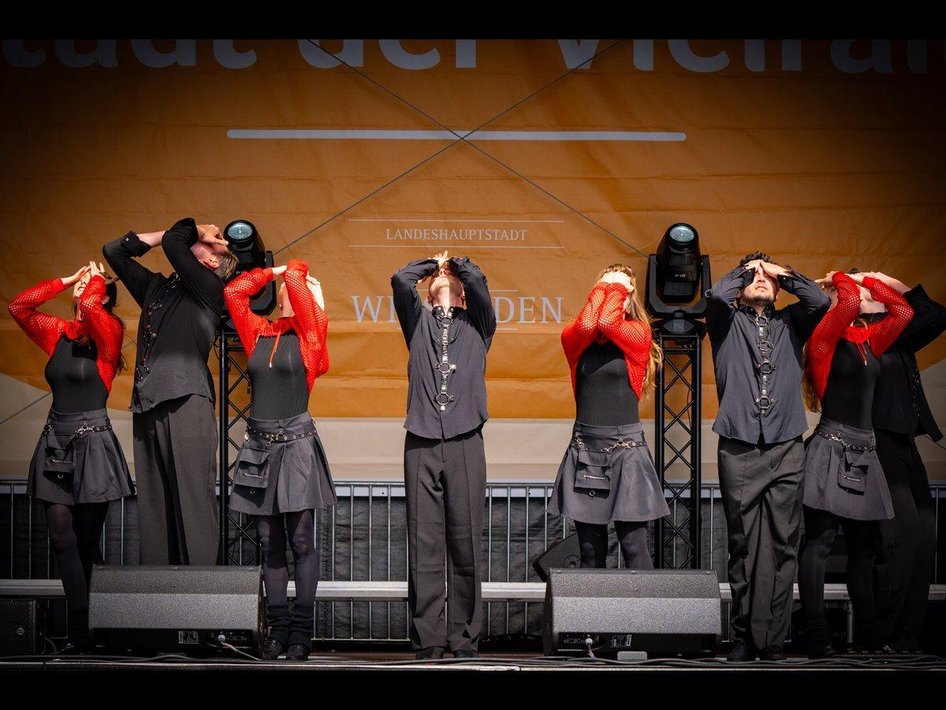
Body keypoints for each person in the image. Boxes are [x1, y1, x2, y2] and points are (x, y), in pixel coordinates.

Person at [706, 251, 830, 662]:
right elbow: (717, 296)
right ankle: (743, 637)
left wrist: (782, 273)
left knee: (783, 544)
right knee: (742, 544)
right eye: (753, 275)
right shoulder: (725, 322)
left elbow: (819, 300)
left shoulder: (791, 322)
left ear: (778, 287)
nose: (760, 278)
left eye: (766, 275)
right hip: (739, 446)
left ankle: (774, 640)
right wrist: (746, 271)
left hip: (786, 446)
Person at [9, 261, 134, 653]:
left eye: (91, 285)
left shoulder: (108, 334)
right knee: (62, 541)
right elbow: (18, 307)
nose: (84, 287)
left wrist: (95, 281)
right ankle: (79, 633)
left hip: (92, 443)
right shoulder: (58, 333)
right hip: (55, 443)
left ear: (105, 296)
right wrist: (66, 280)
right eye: (82, 284)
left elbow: (93, 308)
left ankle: (101, 629)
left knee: (86, 544)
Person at [103, 218, 237, 565]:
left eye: (210, 242)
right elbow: (114, 252)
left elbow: (176, 243)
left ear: (213, 261)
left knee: (192, 502)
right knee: (153, 505)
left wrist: (195, 228)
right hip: (148, 400)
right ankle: (158, 594)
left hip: (185, 398)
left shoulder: (208, 286)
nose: (205, 238)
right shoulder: (158, 288)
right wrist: (163, 234)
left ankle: (202, 594)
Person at [224, 259, 336, 662]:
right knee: (269, 541)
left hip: (296, 444)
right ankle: (278, 630)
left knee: (301, 540)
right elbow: (233, 292)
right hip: (260, 445)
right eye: (288, 286)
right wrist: (272, 272)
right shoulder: (259, 332)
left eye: (298, 288)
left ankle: (302, 633)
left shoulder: (311, 334)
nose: (290, 289)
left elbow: (299, 292)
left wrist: (295, 271)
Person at [799, 270, 912, 657]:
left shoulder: (869, 341)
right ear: (831, 297)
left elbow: (903, 312)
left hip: (865, 452)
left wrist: (869, 278)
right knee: (820, 543)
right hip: (830, 449)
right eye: (853, 293)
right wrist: (842, 278)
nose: (861, 297)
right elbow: (847, 301)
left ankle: (869, 637)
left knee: (864, 550)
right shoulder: (823, 339)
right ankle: (816, 635)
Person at [391, 250, 496, 659]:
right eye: (438, 278)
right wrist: (430, 266)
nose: (443, 277)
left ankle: (464, 638)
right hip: (421, 439)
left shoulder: (478, 324)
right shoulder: (417, 321)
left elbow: (479, 284)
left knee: (465, 542)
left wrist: (454, 263)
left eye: (449, 278)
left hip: (465, 439)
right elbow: (400, 280)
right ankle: (428, 639)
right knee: (425, 544)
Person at [550, 265, 669, 570]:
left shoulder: (639, 333)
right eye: (605, 290)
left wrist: (613, 287)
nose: (612, 295)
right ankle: (592, 606)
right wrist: (608, 287)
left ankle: (643, 605)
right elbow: (591, 323)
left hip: (626, 450)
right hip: (586, 450)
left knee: (633, 546)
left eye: (622, 291)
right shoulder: (575, 338)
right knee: (590, 552)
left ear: (629, 298)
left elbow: (606, 321)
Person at [870, 275, 946, 652]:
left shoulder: (898, 333)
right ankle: (885, 634)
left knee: (926, 538)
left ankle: (908, 637)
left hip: (906, 443)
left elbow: (937, 316)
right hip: (879, 442)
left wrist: (893, 283)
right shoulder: (867, 336)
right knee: (903, 537)